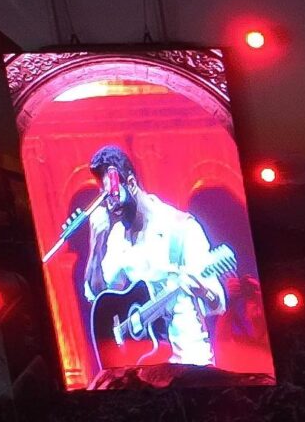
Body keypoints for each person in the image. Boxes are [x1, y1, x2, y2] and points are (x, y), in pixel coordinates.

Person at [78, 142, 228, 372]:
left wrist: (202, 290)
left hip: (190, 362)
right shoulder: (118, 236)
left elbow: (218, 304)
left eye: (113, 195)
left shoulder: (179, 228)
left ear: (131, 184)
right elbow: (99, 295)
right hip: (147, 367)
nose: (111, 206)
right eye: (105, 198)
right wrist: (95, 245)